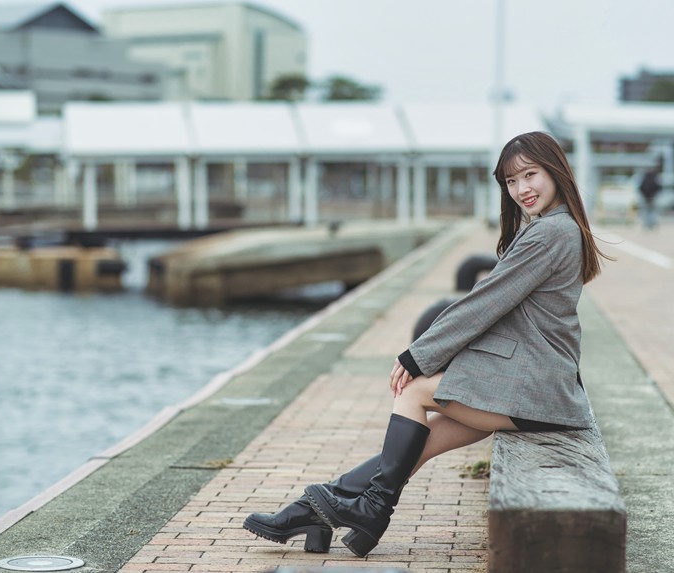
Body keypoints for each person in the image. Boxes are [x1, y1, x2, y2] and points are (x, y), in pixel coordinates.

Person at [243, 131, 613, 557]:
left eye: (530, 175)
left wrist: (418, 356)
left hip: (538, 391)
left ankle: (372, 510)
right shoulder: (555, 228)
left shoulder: (550, 233)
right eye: (511, 181)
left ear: (555, 171)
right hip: (538, 386)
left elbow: (484, 302)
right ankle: (315, 510)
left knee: (413, 390)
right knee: (417, 444)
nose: (521, 189)